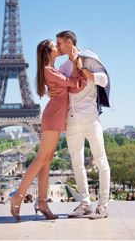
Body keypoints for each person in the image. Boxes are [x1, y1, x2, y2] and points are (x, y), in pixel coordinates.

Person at [10, 39, 86, 221]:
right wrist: (78, 64)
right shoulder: (48, 70)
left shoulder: (53, 70)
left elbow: (63, 86)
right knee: (42, 158)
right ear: (47, 51)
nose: (58, 47)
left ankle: (43, 202)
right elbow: (74, 83)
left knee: (47, 159)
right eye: (55, 45)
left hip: (57, 115)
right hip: (53, 116)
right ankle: (18, 196)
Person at [54, 30, 110, 219]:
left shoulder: (90, 59)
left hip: (90, 118)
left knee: (101, 161)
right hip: (72, 119)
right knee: (77, 163)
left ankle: (103, 205)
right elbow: (60, 92)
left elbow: (104, 80)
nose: (58, 46)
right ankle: (85, 203)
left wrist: (84, 69)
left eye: (60, 43)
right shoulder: (62, 67)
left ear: (69, 42)